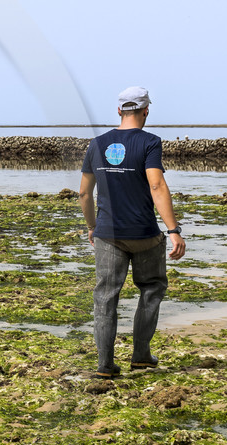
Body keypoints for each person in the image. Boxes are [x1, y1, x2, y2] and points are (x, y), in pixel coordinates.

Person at [78, 88, 186, 378]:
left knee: (105, 296)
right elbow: (156, 185)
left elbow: (84, 194)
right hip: (144, 234)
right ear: (146, 111)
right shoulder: (150, 142)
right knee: (151, 289)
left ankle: (105, 365)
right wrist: (173, 230)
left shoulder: (97, 144)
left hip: (107, 234)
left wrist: (92, 227)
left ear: (118, 111)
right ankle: (140, 356)